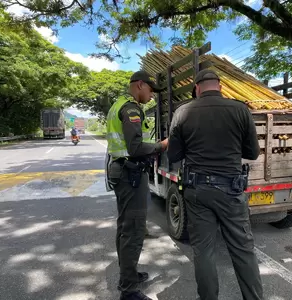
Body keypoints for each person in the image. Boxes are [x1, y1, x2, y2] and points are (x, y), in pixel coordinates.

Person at [167, 69, 264, 300]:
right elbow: (252, 152)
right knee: (243, 251)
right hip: (231, 190)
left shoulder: (182, 112)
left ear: (197, 89)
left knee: (204, 252)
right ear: (219, 87)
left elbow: (173, 155)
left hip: (197, 191)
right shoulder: (240, 110)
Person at [105, 70, 168, 300]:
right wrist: (162, 145)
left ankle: (129, 273)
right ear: (140, 85)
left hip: (122, 172)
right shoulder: (131, 108)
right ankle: (129, 290)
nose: (152, 96)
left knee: (125, 227)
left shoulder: (119, 104)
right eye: (151, 90)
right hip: (130, 175)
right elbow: (135, 147)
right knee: (134, 230)